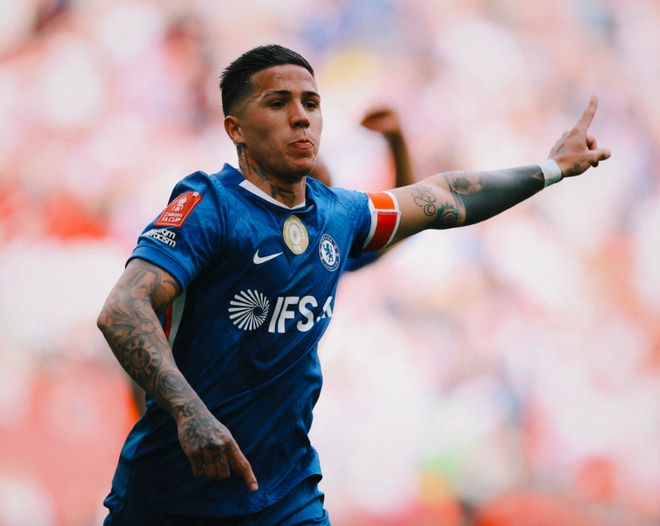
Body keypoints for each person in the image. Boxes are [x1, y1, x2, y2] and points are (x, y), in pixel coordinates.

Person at [97, 44, 610, 525]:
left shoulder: (339, 216)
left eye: (311, 102)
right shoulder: (210, 207)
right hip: (173, 494)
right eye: (277, 102)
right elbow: (122, 310)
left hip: (286, 494)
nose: (301, 116)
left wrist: (551, 168)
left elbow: (444, 197)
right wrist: (189, 413)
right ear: (236, 128)